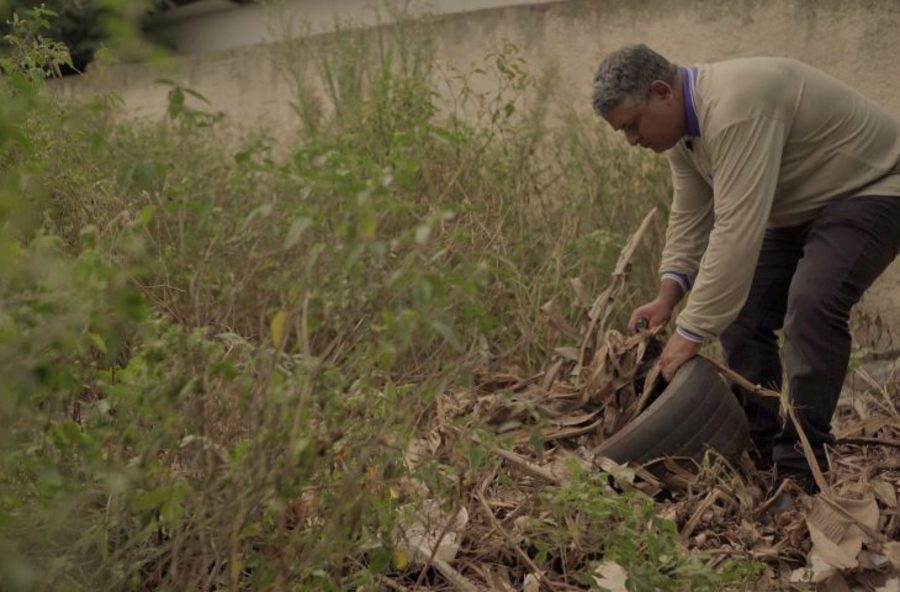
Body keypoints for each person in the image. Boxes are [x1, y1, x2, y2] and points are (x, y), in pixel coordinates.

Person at [591, 45, 900, 490]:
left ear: (662, 92)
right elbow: (691, 213)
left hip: (873, 186)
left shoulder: (736, 106)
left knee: (812, 308)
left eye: (633, 125)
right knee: (742, 313)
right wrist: (668, 294)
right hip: (799, 207)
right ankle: (758, 442)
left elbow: (736, 227)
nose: (633, 141)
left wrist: (690, 332)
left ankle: (801, 466)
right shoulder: (685, 133)